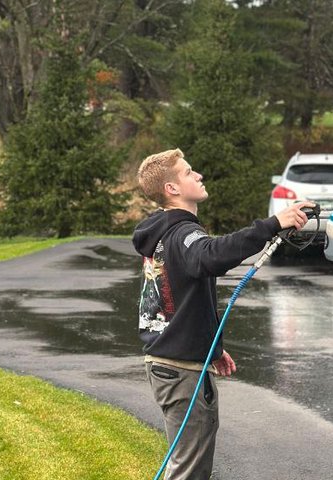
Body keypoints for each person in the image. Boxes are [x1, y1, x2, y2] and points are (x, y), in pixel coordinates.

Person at [132, 148, 312, 479]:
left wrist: (210, 347)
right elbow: (210, 255)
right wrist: (273, 224)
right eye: (188, 172)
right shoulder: (182, 233)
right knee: (189, 471)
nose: (197, 175)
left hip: (178, 363)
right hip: (180, 371)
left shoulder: (166, 233)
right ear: (172, 189)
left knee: (188, 466)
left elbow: (174, 302)